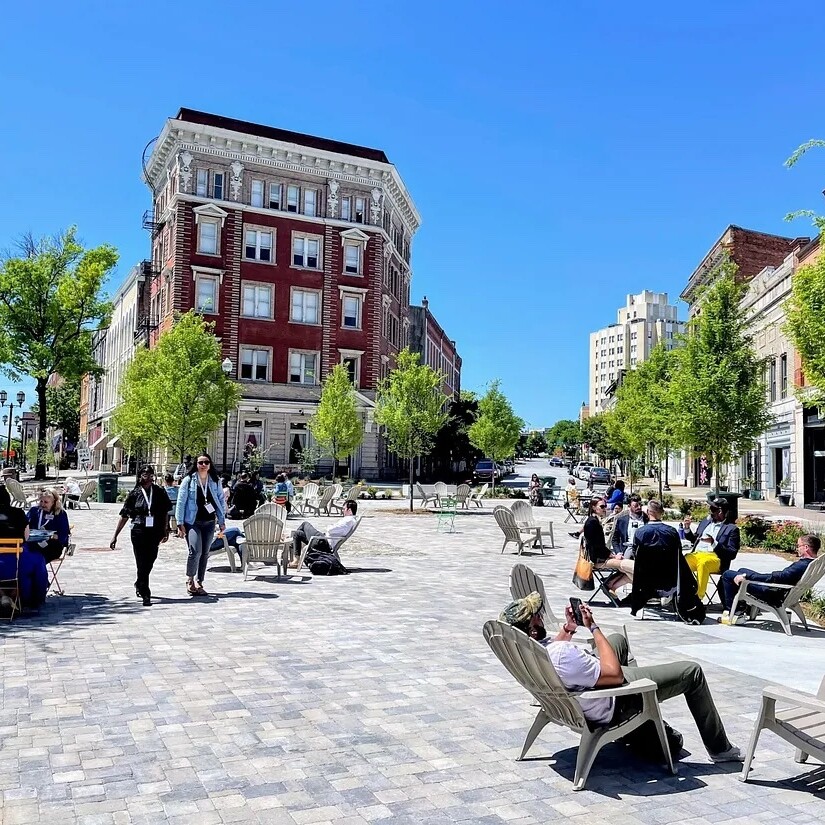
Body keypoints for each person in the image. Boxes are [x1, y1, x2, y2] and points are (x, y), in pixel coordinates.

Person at [498, 594, 743, 763]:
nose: (541, 616)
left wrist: (570, 627)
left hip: (579, 688)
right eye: (537, 615)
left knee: (618, 640)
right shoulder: (562, 655)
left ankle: (646, 712)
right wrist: (593, 627)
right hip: (612, 698)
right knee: (692, 672)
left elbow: (552, 654)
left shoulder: (528, 652)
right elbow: (614, 675)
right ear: (532, 629)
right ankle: (719, 748)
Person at [718, 533, 820, 625]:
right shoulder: (812, 564)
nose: (797, 548)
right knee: (741, 570)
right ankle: (740, 608)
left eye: (798, 546)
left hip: (773, 593)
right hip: (783, 592)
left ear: (806, 547)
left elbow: (777, 577)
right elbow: (781, 577)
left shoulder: (801, 565)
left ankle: (736, 614)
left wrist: (748, 576)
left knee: (728, 574)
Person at [109, 466, 172, 606]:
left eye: (150, 474)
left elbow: (165, 511)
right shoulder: (135, 493)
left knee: (151, 558)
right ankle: (145, 592)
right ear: (139, 477)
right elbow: (124, 515)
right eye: (145, 474)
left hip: (155, 530)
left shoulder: (159, 492)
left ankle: (139, 582)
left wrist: (166, 529)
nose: (148, 477)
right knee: (141, 561)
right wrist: (115, 535)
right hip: (139, 530)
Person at [628, 500, 700, 618]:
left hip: (647, 577)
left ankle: (641, 601)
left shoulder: (640, 532)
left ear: (648, 512)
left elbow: (636, 554)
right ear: (662, 512)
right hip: (669, 577)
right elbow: (678, 552)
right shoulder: (671, 532)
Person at [175, 453, 226, 596]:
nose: (203, 465)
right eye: (200, 462)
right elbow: (181, 502)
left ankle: (200, 581)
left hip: (209, 521)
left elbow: (220, 500)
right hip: (192, 521)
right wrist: (180, 523)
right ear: (196, 464)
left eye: (206, 462)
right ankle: (190, 579)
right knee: (195, 550)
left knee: (205, 553)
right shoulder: (189, 480)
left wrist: (222, 520)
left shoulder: (214, 480)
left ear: (210, 465)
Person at [682, 498, 740, 599]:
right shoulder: (705, 522)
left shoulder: (732, 529)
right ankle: (679, 594)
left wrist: (713, 543)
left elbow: (732, 553)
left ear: (720, 511)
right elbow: (695, 539)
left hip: (715, 558)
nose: (710, 511)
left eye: (713, 509)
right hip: (696, 554)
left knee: (703, 563)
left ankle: (698, 598)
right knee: (681, 562)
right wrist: (687, 528)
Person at [0, 484, 46, 611]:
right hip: (17, 562)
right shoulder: (18, 513)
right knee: (39, 560)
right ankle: (31, 600)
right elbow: (26, 536)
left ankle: (4, 595)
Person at [290, 499, 358, 566]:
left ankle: (292, 544)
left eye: (344, 509)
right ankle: (296, 559)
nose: (342, 511)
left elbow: (330, 529)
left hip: (323, 542)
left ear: (349, 510)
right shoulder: (350, 520)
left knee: (305, 524)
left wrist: (330, 526)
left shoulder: (348, 521)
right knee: (297, 533)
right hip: (323, 540)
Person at [24, 488, 70, 563]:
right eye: (41, 501)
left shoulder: (60, 514)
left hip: (52, 545)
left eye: (46, 502)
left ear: (53, 502)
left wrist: (53, 536)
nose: (42, 504)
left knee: (38, 558)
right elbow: (24, 524)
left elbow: (64, 535)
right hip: (33, 543)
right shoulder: (34, 511)